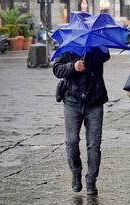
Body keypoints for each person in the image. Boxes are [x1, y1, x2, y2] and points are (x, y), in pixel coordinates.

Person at [52, 48, 110, 195]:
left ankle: (91, 180)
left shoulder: (97, 49)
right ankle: (76, 172)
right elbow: (57, 69)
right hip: (72, 102)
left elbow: (105, 55)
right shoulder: (67, 49)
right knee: (71, 141)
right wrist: (73, 66)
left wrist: (95, 47)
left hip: (94, 102)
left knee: (94, 145)